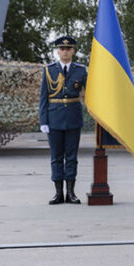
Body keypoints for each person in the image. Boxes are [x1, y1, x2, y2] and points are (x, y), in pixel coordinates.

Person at [38, 36, 87, 205]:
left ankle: (71, 193)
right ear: (58, 51)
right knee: (56, 156)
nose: (65, 52)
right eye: (62, 49)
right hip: (54, 118)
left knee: (72, 157)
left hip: (73, 117)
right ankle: (58, 193)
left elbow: (90, 93)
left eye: (68, 49)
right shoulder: (48, 70)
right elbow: (43, 98)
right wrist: (43, 121)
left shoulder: (81, 70)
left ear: (73, 51)